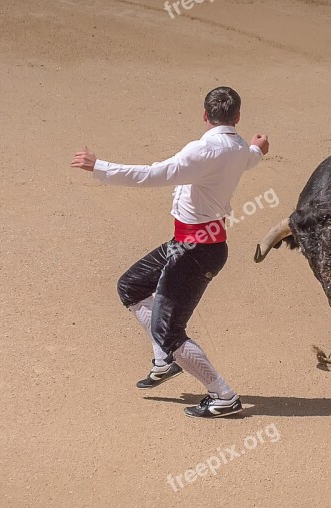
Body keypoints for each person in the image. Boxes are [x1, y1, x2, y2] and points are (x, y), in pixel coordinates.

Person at [70, 86, 269, 418]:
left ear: (205, 116)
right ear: (237, 118)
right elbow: (250, 157)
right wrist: (259, 149)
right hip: (195, 243)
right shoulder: (238, 148)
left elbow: (151, 175)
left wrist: (98, 165)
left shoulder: (203, 151)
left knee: (169, 331)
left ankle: (223, 395)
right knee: (131, 286)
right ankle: (165, 360)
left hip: (194, 251)